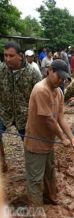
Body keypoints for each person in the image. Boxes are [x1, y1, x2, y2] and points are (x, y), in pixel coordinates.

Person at [24, 59, 74, 206]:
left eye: (63, 78)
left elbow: (60, 117)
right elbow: (49, 120)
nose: (61, 80)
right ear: (50, 71)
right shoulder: (41, 90)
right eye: (59, 76)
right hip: (35, 143)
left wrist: (72, 137)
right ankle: (37, 212)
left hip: (48, 143)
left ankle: (51, 198)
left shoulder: (59, 92)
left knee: (50, 174)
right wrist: (63, 139)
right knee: (35, 179)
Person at [0, 42, 41, 172]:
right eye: (5, 55)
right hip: (4, 112)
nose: (7, 59)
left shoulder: (32, 73)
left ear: (20, 56)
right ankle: (2, 162)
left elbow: (40, 96)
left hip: (25, 115)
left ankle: (32, 169)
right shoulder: (1, 70)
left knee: (30, 144)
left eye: (11, 55)